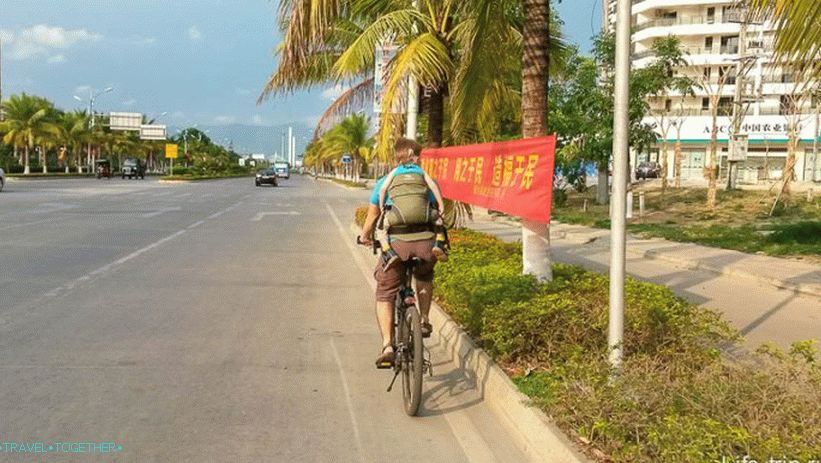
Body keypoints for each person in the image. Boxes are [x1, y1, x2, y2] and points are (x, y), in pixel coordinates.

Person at [359, 138, 445, 368]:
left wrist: (365, 237)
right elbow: (437, 206)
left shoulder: (385, 182)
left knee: (385, 291)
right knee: (425, 276)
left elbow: (372, 217)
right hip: (426, 243)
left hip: (397, 244)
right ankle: (424, 320)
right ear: (415, 156)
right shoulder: (424, 180)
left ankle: (388, 345)